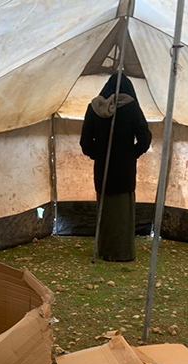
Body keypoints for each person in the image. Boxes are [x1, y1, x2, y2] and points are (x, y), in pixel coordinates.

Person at [80, 73, 151, 261]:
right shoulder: (131, 107)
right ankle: (122, 252)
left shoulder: (94, 108)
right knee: (122, 214)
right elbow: (145, 138)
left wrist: (100, 156)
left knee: (105, 212)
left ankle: (105, 251)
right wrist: (130, 154)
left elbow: (85, 143)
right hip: (124, 170)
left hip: (103, 170)